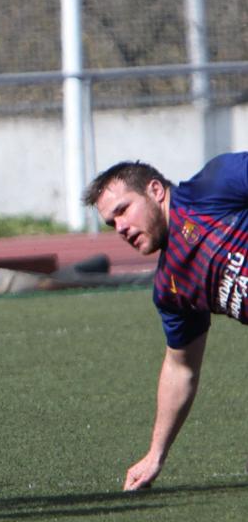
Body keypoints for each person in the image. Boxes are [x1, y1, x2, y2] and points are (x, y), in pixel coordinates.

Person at [83, 154, 248, 491]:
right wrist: (155, 454)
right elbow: (181, 369)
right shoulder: (171, 287)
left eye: (123, 210)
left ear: (155, 190)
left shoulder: (216, 185)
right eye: (112, 224)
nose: (121, 228)